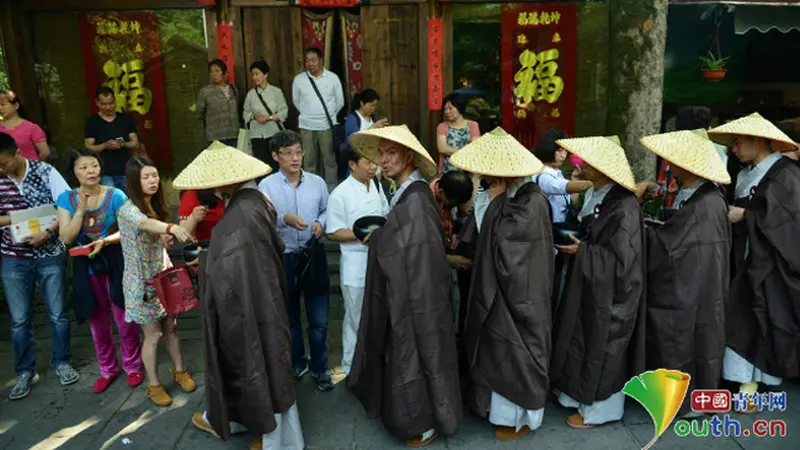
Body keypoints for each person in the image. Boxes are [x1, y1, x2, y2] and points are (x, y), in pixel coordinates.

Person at [175, 141, 305, 450]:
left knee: (257, 361)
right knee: (261, 360)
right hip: (262, 293)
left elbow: (232, 260)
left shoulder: (242, 212)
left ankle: (272, 435)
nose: (215, 190)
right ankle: (251, 423)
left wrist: (208, 261)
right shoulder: (256, 200)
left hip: (249, 298)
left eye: (218, 183)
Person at [348, 125, 462, 447]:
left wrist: (380, 238)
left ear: (408, 155)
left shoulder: (416, 198)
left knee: (418, 354)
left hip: (417, 295)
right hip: (411, 290)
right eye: (381, 153)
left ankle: (425, 423)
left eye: (391, 153)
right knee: (411, 354)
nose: (384, 160)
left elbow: (414, 249)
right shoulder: (407, 192)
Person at [450, 128, 553, 440]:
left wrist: (493, 204)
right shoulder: (508, 196)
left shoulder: (531, 200)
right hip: (500, 291)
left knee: (520, 352)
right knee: (497, 351)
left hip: (522, 294)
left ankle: (523, 418)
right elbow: (485, 237)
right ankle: (501, 412)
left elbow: (509, 250)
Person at [549, 135, 646, 429]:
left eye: (590, 163)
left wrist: (584, 251)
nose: (583, 166)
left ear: (606, 169)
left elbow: (622, 261)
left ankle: (601, 411)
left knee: (604, 344)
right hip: (589, 279)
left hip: (611, 291)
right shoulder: (598, 193)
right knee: (580, 336)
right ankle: (574, 396)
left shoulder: (625, 205)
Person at [707, 113, 800, 410]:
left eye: (738, 142)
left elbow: (789, 222)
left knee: (762, 320)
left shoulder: (787, 174)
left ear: (759, 141)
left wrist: (747, 215)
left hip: (772, 264)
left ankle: (754, 386)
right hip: (748, 258)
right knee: (744, 319)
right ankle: (744, 384)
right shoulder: (749, 172)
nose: (734, 148)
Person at [639, 129, 732, 418]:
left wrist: (640, 228)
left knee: (683, 336)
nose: (667, 164)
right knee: (692, 335)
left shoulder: (705, 202)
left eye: (672, 160)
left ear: (686, 165)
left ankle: (689, 400)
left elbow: (670, 242)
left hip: (690, 283)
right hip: (695, 280)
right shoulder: (699, 195)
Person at [55, 148, 143, 393]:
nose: (90, 171)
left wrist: (105, 241)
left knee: (124, 315)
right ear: (73, 172)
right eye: (83, 167)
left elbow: (129, 228)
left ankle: (133, 365)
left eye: (93, 165)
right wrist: (80, 209)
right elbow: (67, 236)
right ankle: (107, 369)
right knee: (97, 320)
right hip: (86, 264)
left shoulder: (116, 195)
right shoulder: (66, 199)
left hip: (115, 259)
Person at [0, 132, 78, 400]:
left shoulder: (45, 171)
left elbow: (66, 203)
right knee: (20, 319)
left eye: (3, 163)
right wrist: (14, 220)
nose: (1, 170)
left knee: (58, 313)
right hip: (13, 255)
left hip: (49, 251)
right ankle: (24, 371)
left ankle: (63, 362)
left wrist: (48, 231)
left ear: (17, 153)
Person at [117, 156, 197, 406]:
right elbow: (145, 224)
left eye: (154, 176)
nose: (153, 181)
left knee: (172, 328)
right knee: (152, 336)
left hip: (164, 276)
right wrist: (170, 229)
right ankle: (154, 385)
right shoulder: (129, 209)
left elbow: (155, 231)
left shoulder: (155, 205)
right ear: (134, 181)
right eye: (146, 177)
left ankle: (180, 370)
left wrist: (166, 237)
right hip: (141, 283)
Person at [258, 130, 333, 392]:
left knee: (319, 320)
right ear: (275, 156)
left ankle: (320, 366)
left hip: (313, 255)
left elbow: (326, 210)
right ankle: (298, 362)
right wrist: (283, 219)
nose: (295, 158)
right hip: (283, 258)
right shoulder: (265, 187)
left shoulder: (317, 183)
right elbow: (262, 221)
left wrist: (319, 223)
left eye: (298, 152)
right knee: (289, 319)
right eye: (288, 153)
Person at [325, 146, 389, 383]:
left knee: (376, 315)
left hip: (378, 261)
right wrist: (363, 234)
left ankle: (373, 364)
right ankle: (351, 367)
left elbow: (384, 214)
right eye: (368, 162)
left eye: (376, 161)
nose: (374, 166)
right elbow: (332, 232)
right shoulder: (340, 194)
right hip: (355, 265)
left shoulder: (376, 185)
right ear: (352, 165)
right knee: (355, 318)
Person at [291, 48, 345, 188]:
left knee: (329, 160)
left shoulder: (332, 78)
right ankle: (311, 188)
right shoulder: (299, 79)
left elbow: (340, 101)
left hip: (326, 125)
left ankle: (331, 188)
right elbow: (296, 101)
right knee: (309, 160)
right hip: (306, 126)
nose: (310, 63)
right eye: (307, 60)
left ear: (321, 61)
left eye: (313, 60)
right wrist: (309, 113)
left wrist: (327, 115)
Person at [428, 170, 474, 334]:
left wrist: (455, 233)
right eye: (453, 204)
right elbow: (420, 246)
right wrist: (449, 259)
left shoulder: (447, 194)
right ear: (441, 192)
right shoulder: (424, 201)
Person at [84, 86, 139, 192]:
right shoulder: (92, 122)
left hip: (125, 170)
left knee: (128, 201)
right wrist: (105, 145)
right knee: (109, 202)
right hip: (104, 172)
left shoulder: (125, 120)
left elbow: (135, 142)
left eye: (111, 103)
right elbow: (88, 147)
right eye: (104, 104)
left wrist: (124, 144)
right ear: (97, 103)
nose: (108, 107)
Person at [244, 60, 288, 171]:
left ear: (266, 74)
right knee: (260, 165)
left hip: (273, 132)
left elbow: (284, 111)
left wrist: (269, 118)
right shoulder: (250, 94)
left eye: (257, 74)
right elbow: (245, 112)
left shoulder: (276, 92)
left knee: (276, 162)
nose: (254, 77)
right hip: (256, 135)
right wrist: (254, 117)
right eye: (253, 74)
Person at [342, 88, 389, 180]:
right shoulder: (352, 119)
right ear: (362, 103)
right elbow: (353, 140)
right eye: (371, 105)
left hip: (374, 158)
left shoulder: (373, 118)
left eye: (375, 106)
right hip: (359, 161)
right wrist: (372, 128)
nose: (373, 108)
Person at [196, 59, 240, 146]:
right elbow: (199, 114)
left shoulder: (233, 89)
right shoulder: (205, 91)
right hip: (215, 136)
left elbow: (238, 106)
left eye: (217, 71)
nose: (214, 74)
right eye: (211, 72)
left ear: (224, 73)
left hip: (234, 135)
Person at [0, 90, 50, 161]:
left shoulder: (32, 128)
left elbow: (45, 152)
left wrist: (34, 166)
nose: (0, 108)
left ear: (16, 105)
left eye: (3, 104)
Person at [436, 93, 480, 174]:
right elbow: (442, 148)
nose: (447, 112)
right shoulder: (442, 126)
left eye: (450, 108)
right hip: (448, 173)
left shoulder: (473, 125)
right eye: (445, 109)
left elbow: (475, 148)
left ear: (459, 107)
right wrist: (465, 152)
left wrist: (453, 151)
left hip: (469, 172)